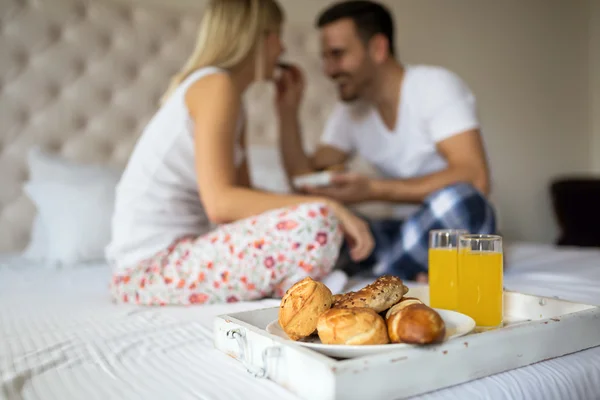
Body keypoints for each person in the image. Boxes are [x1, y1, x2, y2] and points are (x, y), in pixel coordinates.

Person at [106, 0, 374, 306]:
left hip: (176, 256)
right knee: (317, 220)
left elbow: (242, 197)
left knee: (318, 217)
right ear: (258, 37)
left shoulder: (230, 97)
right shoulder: (216, 85)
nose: (282, 47)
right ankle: (301, 286)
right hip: (147, 271)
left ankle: (299, 283)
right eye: (276, 34)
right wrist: (325, 204)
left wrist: (287, 111)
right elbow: (221, 205)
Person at [276, 0, 497, 282]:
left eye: (338, 54)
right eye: (325, 57)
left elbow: (476, 177)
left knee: (460, 200)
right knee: (323, 221)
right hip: (400, 231)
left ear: (378, 48)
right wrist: (286, 112)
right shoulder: (350, 111)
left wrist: (372, 189)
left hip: (456, 231)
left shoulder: (434, 86)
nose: (329, 70)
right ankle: (400, 268)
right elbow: (304, 180)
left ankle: (379, 274)